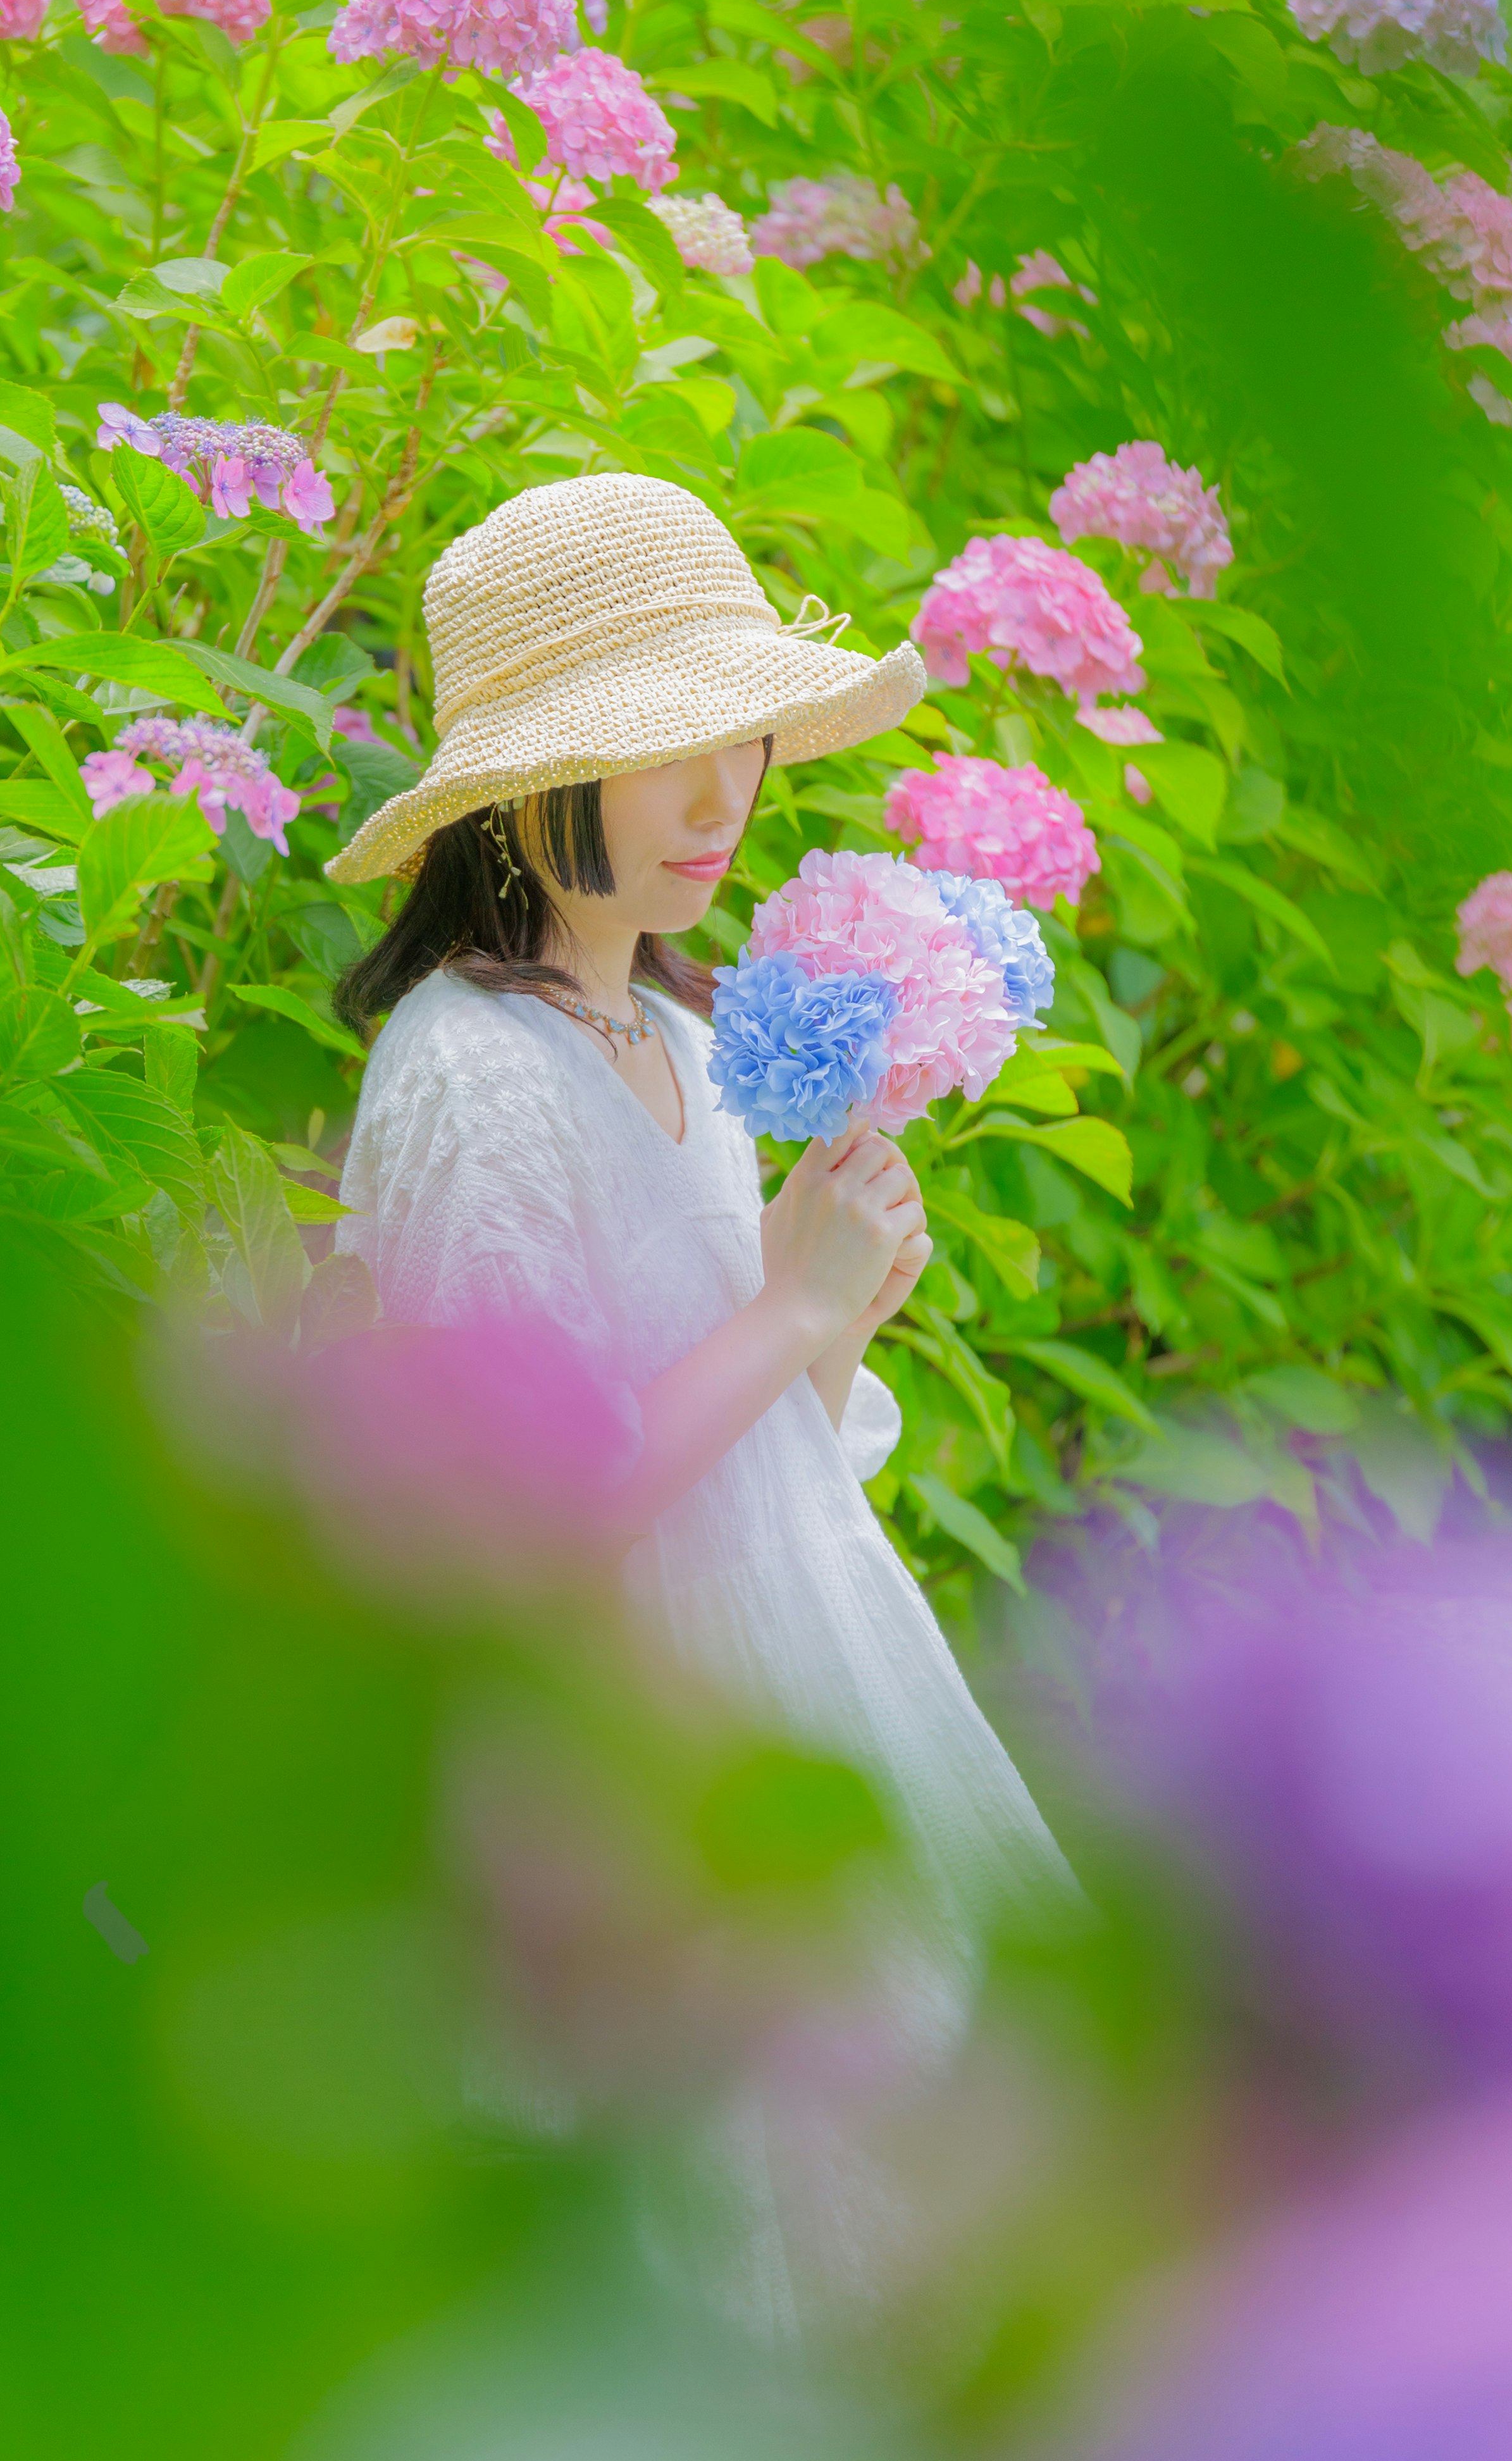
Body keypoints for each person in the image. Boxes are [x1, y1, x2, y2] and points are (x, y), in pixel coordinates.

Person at [330, 473, 1072, 1966]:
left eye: (738, 738)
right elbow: (514, 1523)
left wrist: (837, 1314)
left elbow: (763, 1441)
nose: (722, 795)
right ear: (527, 786)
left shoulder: (680, 1041)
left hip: (784, 1665)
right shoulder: (472, 1073)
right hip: (613, 1749)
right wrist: (789, 1309)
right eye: (663, 747)